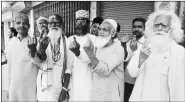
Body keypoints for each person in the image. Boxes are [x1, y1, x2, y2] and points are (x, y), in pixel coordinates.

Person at [128, 10, 184, 101]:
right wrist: (141, 60)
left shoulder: (179, 52)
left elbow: (181, 86)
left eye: (164, 25)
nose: (159, 29)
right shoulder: (144, 48)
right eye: (156, 25)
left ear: (172, 28)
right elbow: (132, 73)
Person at [83, 19, 125, 101]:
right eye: (100, 29)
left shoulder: (118, 49)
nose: (100, 32)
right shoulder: (99, 46)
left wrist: (89, 52)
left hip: (112, 94)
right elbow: (90, 62)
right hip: (97, 91)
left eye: (104, 30)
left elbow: (104, 70)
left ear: (113, 33)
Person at [36, 14, 74, 101]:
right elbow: (38, 61)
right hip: (43, 85)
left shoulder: (68, 42)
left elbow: (69, 68)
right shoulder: (42, 40)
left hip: (59, 85)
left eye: (57, 23)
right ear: (48, 25)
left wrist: (64, 90)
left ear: (62, 24)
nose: (54, 26)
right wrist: (41, 50)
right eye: (51, 23)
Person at [5, 13, 41, 101]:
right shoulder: (11, 42)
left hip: (30, 87)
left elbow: (40, 63)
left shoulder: (35, 41)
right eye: (18, 23)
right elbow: (9, 66)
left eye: (24, 23)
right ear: (14, 25)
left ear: (29, 26)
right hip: (14, 87)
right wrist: (7, 89)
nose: (21, 25)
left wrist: (33, 50)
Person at [68, 10, 96, 101]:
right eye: (77, 20)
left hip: (87, 78)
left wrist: (77, 52)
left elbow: (93, 59)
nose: (80, 23)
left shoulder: (93, 39)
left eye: (83, 20)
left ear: (88, 23)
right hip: (72, 78)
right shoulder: (69, 39)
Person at [121, 17, 146, 102]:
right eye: (134, 26)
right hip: (127, 81)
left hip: (140, 82)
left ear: (145, 29)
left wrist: (135, 51)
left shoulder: (148, 43)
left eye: (140, 27)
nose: (136, 29)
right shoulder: (129, 43)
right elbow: (124, 58)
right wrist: (124, 44)